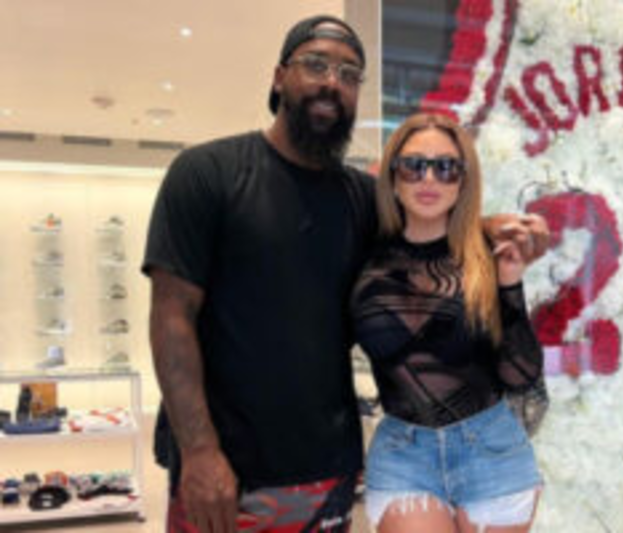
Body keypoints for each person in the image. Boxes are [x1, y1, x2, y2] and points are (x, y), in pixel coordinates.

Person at [143, 15, 549, 533]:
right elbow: (171, 316)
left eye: (349, 74)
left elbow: (426, 225)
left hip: (327, 466)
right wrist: (199, 451)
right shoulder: (207, 172)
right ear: (278, 77)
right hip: (226, 471)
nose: (332, 82)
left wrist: (489, 230)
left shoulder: (361, 197)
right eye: (315, 64)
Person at [350, 112, 548, 533]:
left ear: (463, 180)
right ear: (393, 175)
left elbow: (521, 376)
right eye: (413, 165)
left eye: (445, 167)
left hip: (492, 449)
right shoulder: (362, 255)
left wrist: (510, 282)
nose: (429, 179)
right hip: (403, 454)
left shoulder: (488, 253)